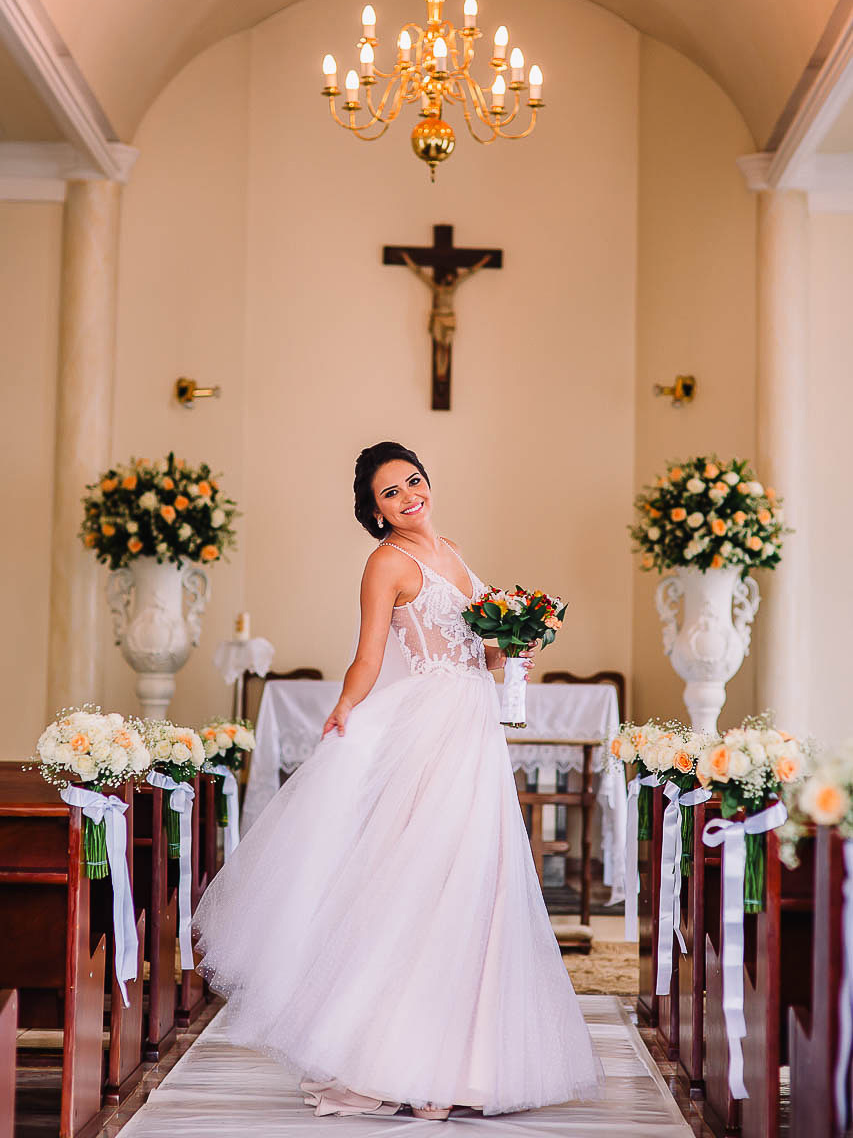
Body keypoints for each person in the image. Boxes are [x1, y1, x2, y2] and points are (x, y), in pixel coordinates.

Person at [193, 441, 602, 1119]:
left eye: (413, 481)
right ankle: (398, 1060)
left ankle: (463, 1064)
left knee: (480, 879)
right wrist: (345, 707)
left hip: (474, 723)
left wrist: (520, 642)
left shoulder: (453, 548)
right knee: (425, 876)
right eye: (390, 492)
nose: (408, 495)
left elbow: (483, 648)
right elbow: (369, 654)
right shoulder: (386, 561)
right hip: (433, 725)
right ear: (374, 512)